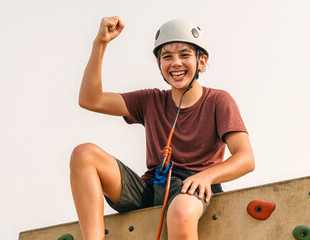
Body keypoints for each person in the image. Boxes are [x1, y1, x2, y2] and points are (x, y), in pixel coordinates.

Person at [70, 16, 255, 240]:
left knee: (180, 211)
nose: (175, 63)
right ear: (159, 65)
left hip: (193, 188)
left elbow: (245, 158)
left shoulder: (219, 101)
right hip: (153, 187)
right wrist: (100, 43)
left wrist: (207, 177)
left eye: (185, 55)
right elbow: (91, 99)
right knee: (83, 154)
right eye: (167, 57)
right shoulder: (151, 100)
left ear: (202, 62)